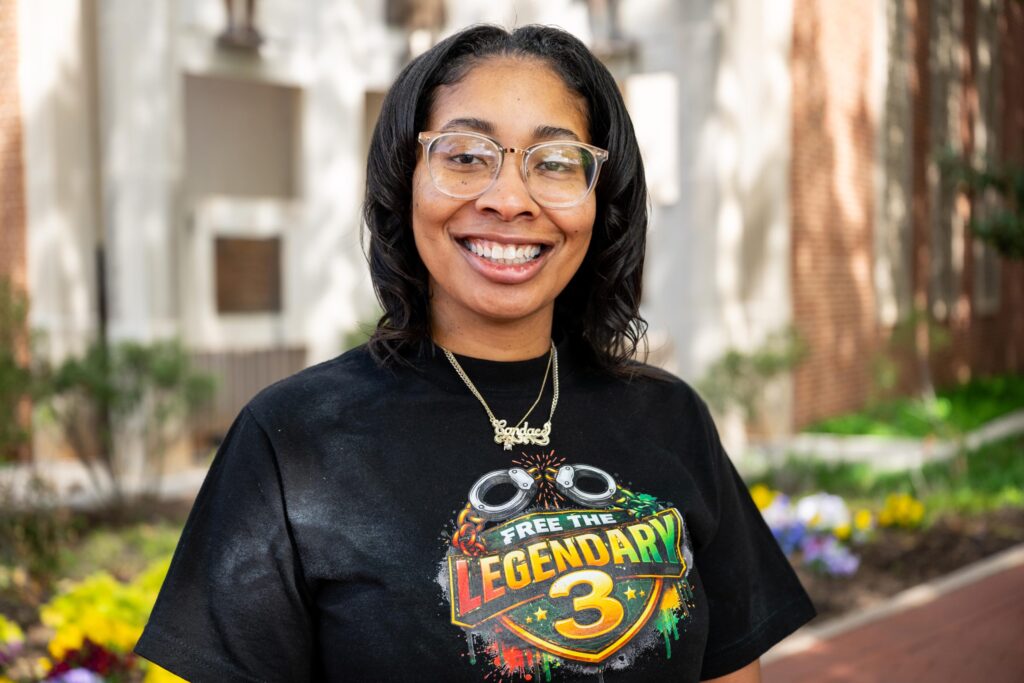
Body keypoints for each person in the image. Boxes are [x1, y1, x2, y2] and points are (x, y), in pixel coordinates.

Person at [135, 24, 815, 683]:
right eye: (465, 156)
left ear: (598, 200)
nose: (509, 200)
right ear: (406, 183)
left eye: (553, 162)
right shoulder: (294, 441)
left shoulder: (670, 419)